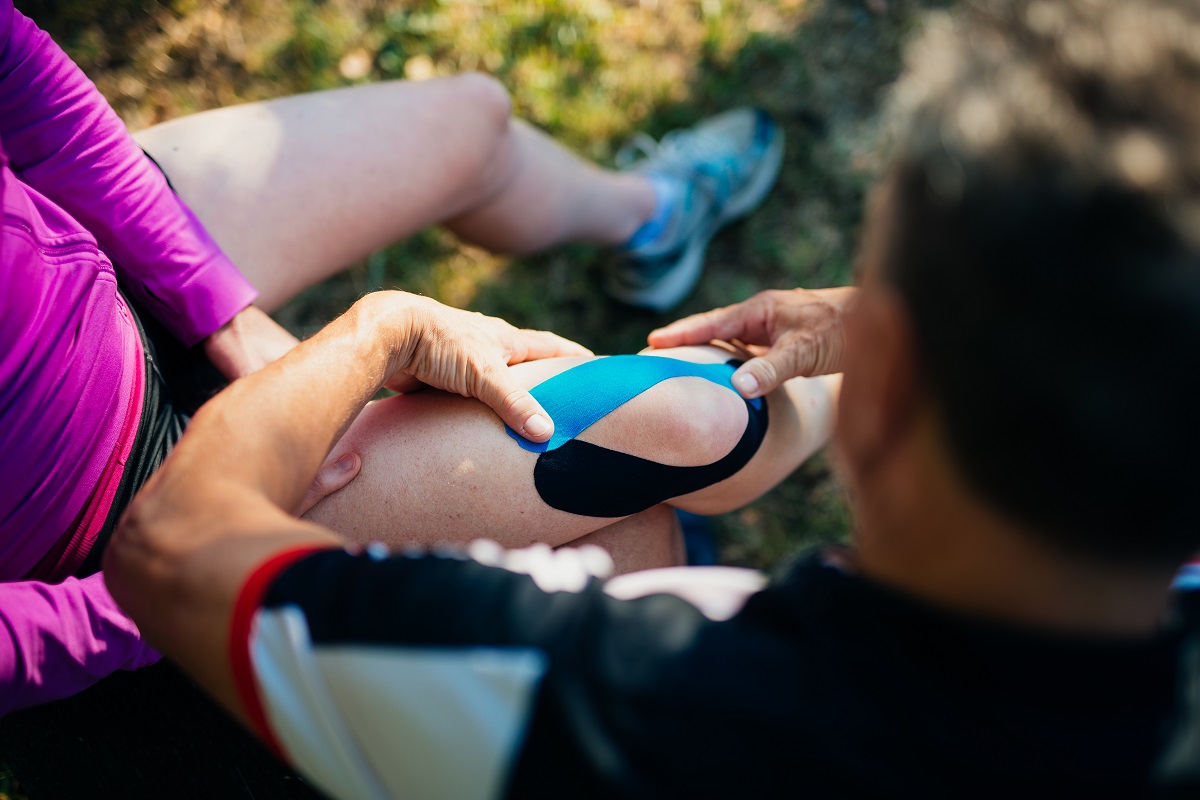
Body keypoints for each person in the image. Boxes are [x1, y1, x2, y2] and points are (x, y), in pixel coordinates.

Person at [106, 0, 1200, 795]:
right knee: (692, 430)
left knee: (675, 459)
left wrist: (375, 329)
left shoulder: (606, 697)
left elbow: (170, 548)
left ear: (883, 391)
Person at [0, 0, 785, 715]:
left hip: (91, 266)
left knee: (470, 120)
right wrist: (168, 574)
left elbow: (17, 68)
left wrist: (224, 314)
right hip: (99, 518)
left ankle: (650, 223)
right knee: (665, 460)